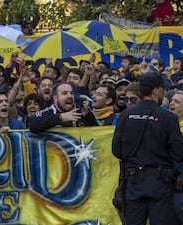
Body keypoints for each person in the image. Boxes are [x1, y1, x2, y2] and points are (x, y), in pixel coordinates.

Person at [112, 72, 183, 225]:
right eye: (163, 88)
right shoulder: (168, 117)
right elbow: (179, 153)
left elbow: (116, 150)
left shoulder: (125, 116)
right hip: (161, 183)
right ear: (156, 90)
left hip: (133, 182)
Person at [27, 82, 98, 133]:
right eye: (64, 93)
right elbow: (32, 125)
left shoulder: (80, 111)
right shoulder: (48, 111)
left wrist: (88, 115)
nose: (70, 96)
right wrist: (60, 117)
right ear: (55, 98)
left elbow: (98, 131)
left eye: (71, 93)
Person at [169, 90, 183, 225]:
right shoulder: (166, 126)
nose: (172, 103)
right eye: (171, 100)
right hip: (166, 189)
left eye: (177, 102)